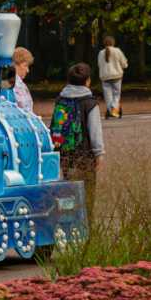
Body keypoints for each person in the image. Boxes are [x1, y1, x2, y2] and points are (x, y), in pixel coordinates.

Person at [51, 61, 104, 220]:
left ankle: (69, 222)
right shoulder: (90, 102)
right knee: (87, 193)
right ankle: (87, 226)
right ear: (87, 81)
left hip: (65, 154)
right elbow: (95, 131)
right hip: (85, 155)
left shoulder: (60, 100)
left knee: (69, 191)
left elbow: (56, 127)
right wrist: (99, 153)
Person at [0, 46, 35, 114]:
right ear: (14, 64)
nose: (27, 70)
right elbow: (25, 108)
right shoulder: (16, 81)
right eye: (25, 66)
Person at [97, 35, 128, 119]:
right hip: (116, 76)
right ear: (113, 43)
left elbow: (99, 65)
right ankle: (114, 109)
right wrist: (125, 63)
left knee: (108, 95)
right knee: (116, 94)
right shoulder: (117, 51)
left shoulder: (101, 53)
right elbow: (124, 64)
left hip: (105, 77)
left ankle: (111, 111)